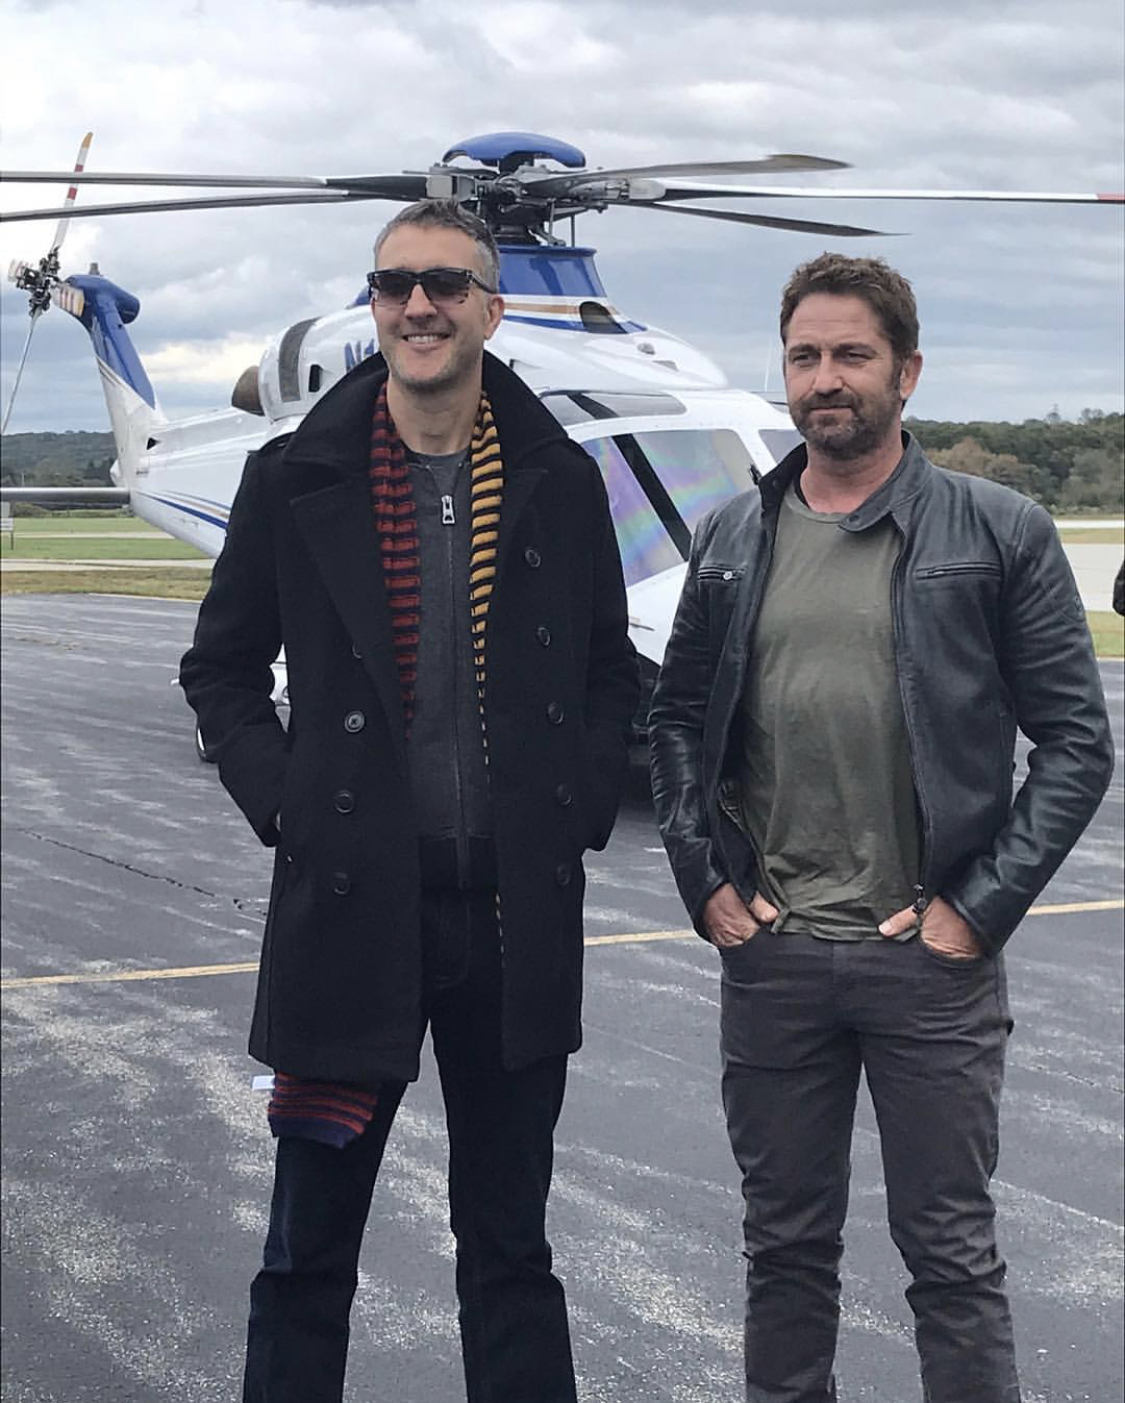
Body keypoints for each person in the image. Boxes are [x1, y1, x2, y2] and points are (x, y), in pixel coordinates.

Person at [180, 199, 639, 1403]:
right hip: (349, 920)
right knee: (305, 1250)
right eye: (394, 285)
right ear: (374, 306)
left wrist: (578, 801)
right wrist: (288, 802)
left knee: (512, 1250)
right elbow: (220, 670)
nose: (418, 305)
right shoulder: (294, 477)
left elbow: (610, 669)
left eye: (444, 284)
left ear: (492, 307)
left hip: (511, 924)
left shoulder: (559, 481)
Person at [648, 252, 1114, 1403]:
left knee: (951, 1257)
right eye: (804, 355)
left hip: (930, 960)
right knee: (784, 1250)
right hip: (775, 955)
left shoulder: (998, 529)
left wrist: (975, 911)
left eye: (852, 354)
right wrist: (706, 881)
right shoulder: (731, 537)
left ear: (906, 371)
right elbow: (676, 722)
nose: (826, 377)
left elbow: (1076, 743)